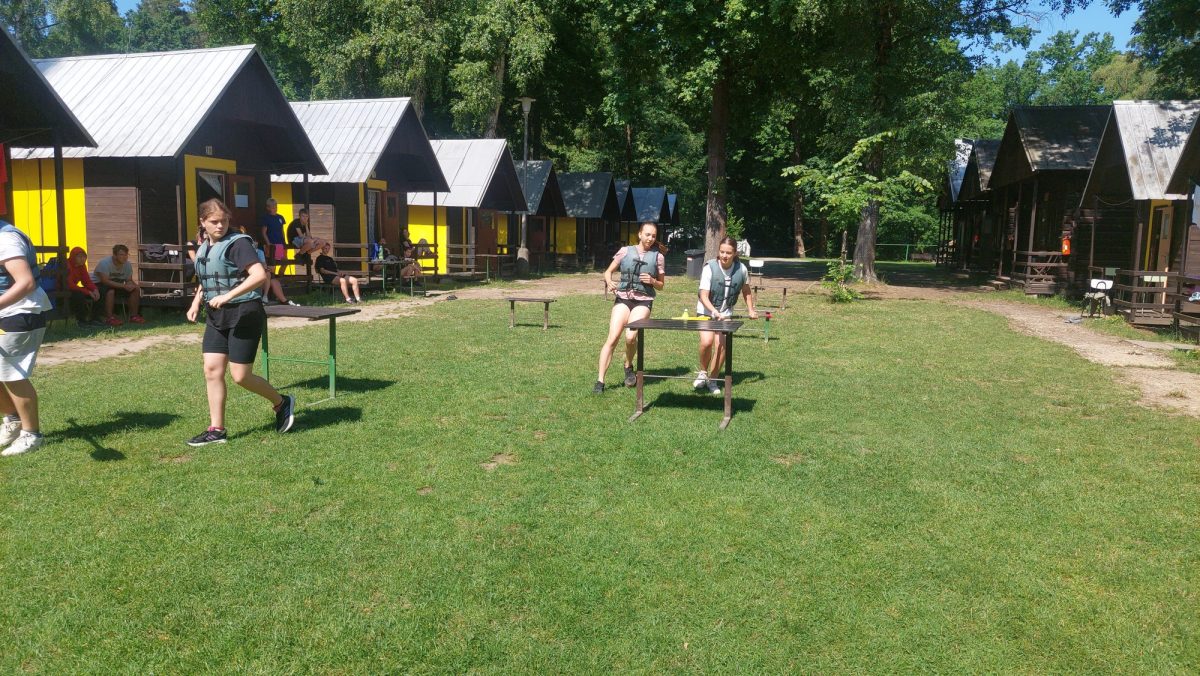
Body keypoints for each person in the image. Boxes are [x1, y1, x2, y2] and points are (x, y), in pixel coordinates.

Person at [187, 198, 295, 447]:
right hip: (216, 316)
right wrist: (195, 302)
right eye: (214, 222)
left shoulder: (238, 244)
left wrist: (228, 296)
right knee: (212, 370)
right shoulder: (204, 246)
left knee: (240, 376)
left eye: (224, 221)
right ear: (202, 222)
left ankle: (281, 403)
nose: (220, 226)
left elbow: (259, 275)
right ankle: (216, 430)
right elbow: (209, 276)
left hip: (244, 313)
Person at [0, 218, 53, 456]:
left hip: (20, 312)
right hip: (7, 311)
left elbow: (26, 282)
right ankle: (13, 420)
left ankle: (32, 434)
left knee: (12, 374)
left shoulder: (5, 239)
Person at [594, 221, 666, 393]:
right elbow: (608, 271)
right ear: (639, 234)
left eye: (653, 236)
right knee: (613, 338)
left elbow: (661, 285)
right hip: (623, 298)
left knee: (630, 337)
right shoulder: (625, 251)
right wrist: (609, 281)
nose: (650, 238)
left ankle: (628, 365)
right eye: (647, 234)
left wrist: (653, 281)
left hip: (643, 300)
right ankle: (600, 381)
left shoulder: (658, 257)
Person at [693, 235, 757, 395]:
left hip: (726, 314)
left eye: (728, 253)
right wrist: (714, 312)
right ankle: (703, 372)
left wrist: (751, 309)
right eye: (722, 252)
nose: (724, 256)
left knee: (721, 345)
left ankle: (713, 379)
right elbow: (703, 296)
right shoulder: (709, 268)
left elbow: (746, 291)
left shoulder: (742, 269)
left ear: (735, 253)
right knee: (707, 342)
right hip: (706, 312)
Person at [94, 244, 144, 326]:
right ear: (114, 255)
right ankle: (110, 318)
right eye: (121, 255)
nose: (125, 257)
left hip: (116, 286)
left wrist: (131, 285)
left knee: (135, 289)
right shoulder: (104, 263)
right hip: (98, 286)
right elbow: (105, 281)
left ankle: (134, 316)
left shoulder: (127, 264)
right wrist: (124, 286)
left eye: (126, 255)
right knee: (110, 291)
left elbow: (129, 280)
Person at [66, 246, 101, 326]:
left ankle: (95, 318)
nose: (82, 259)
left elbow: (86, 281)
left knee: (99, 291)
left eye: (84, 256)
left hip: (74, 288)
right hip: (64, 290)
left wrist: (95, 290)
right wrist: (87, 292)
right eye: (79, 257)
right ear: (73, 257)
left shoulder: (82, 266)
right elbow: (70, 285)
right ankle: (81, 321)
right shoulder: (67, 265)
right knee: (79, 295)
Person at [259, 198, 288, 277]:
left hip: (280, 243)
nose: (275, 208)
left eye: (275, 206)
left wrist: (284, 241)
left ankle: (280, 277)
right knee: (273, 263)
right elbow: (263, 232)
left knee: (284, 262)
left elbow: (282, 231)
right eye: (272, 207)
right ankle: (272, 279)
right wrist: (268, 243)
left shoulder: (280, 217)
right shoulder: (266, 218)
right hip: (272, 244)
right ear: (268, 208)